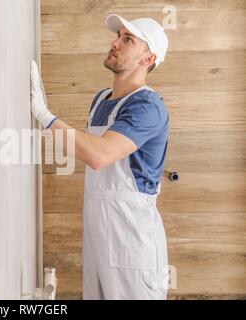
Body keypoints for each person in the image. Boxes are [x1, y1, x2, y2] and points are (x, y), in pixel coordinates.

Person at [30, 14, 170, 300]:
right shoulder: (101, 99)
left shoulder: (148, 106)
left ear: (148, 58)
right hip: (98, 237)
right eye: (118, 36)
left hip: (131, 243)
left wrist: (45, 115)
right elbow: (88, 148)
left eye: (127, 39)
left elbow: (99, 155)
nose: (114, 42)